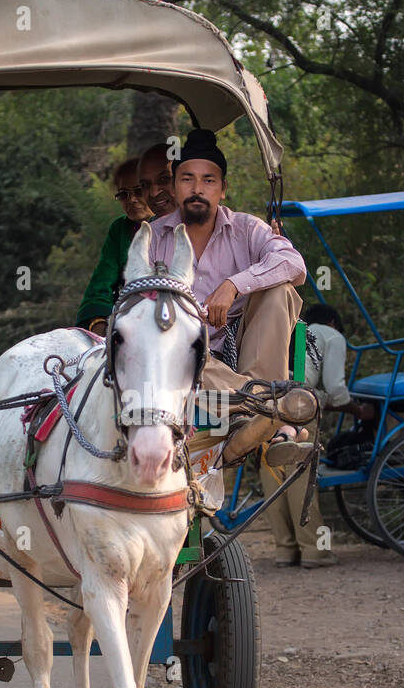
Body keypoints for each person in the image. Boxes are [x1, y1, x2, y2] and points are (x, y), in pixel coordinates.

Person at [147, 128, 314, 465]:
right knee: (167, 341)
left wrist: (234, 284)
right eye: (187, 179)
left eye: (209, 180)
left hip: (243, 351)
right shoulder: (153, 236)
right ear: (175, 188)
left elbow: (294, 264)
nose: (197, 189)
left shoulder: (247, 229)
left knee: (279, 290)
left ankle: (253, 411)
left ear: (223, 189)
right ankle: (266, 410)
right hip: (186, 363)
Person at [261, 304, 378, 567]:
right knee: (300, 474)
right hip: (299, 403)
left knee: (272, 471)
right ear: (333, 322)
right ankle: (314, 550)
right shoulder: (331, 335)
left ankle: (285, 550)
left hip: (266, 398)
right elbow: (336, 387)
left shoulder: (293, 332)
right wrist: (359, 411)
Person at [77, 157, 152, 334]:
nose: (132, 200)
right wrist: (98, 320)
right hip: (127, 317)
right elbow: (102, 282)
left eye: (138, 191)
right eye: (123, 194)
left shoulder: (179, 225)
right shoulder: (120, 229)